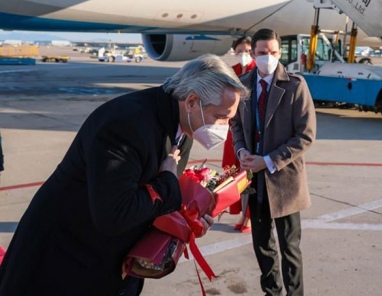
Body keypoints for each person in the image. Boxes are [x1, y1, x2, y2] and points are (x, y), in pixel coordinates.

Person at [0, 54, 249, 295]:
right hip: (64, 264)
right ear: (192, 101)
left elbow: (154, 195)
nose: (224, 127)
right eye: (220, 117)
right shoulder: (127, 124)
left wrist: (188, 219)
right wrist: (167, 185)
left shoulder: (181, 120)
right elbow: (115, 214)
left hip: (109, 264)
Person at [231, 28, 316, 296]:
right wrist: (241, 150)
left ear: (280, 53)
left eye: (273, 53)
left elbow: (305, 136)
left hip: (285, 180)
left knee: (290, 248)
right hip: (255, 181)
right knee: (263, 248)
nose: (268, 57)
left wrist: (268, 160)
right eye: (262, 53)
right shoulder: (242, 84)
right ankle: (272, 293)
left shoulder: (295, 85)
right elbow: (235, 125)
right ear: (252, 54)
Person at [223, 36, 256, 232]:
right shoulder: (231, 72)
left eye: (247, 51)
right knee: (233, 172)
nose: (244, 54)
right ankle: (241, 210)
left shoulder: (256, 71)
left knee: (249, 173)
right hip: (233, 128)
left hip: (250, 128)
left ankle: (248, 215)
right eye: (240, 51)